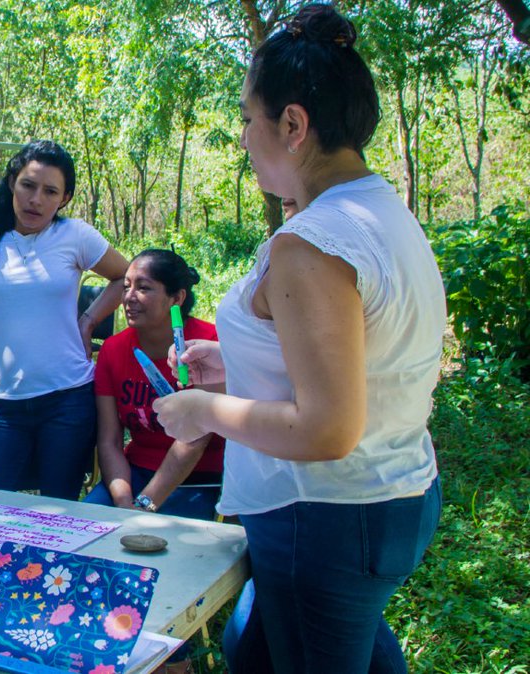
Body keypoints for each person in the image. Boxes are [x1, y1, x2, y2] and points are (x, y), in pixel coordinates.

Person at [152, 6, 446, 673]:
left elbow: (326, 430)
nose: (244, 138)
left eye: (247, 119)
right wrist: (234, 363)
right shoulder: (376, 209)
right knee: (257, 647)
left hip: (327, 515)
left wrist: (202, 412)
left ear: (292, 124)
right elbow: (364, 352)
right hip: (389, 492)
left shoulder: (310, 245)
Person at [0, 140, 130, 500]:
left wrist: (88, 320)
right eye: (28, 185)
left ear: (64, 198)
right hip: (5, 401)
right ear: (11, 183)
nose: (36, 199)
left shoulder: (75, 235)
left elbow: (125, 277)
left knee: (60, 509)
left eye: (50, 191)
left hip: (69, 397)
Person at [87, 249, 224, 520]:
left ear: (177, 298)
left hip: (199, 478)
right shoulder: (113, 350)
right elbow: (110, 439)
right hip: (134, 473)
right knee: (85, 524)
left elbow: (193, 441)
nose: (129, 297)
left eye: (143, 288)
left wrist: (145, 505)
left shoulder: (208, 345)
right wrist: (123, 500)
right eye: (126, 287)